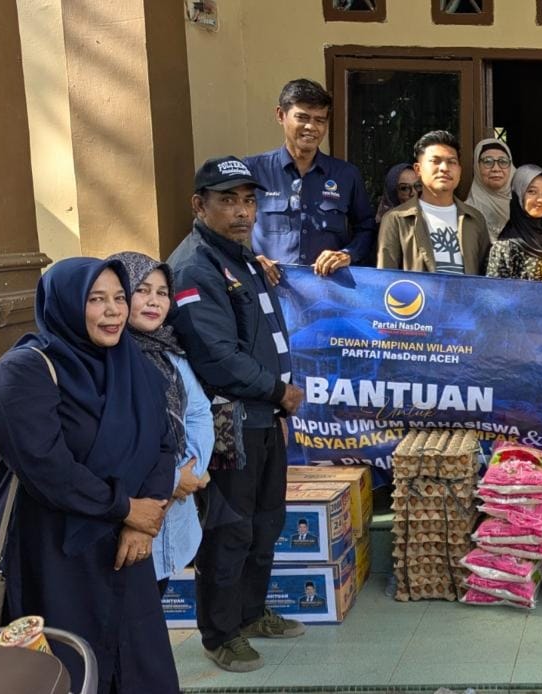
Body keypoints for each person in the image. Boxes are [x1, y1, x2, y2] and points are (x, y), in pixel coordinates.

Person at [0, 257, 179, 692]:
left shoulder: (135, 367)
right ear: (66, 304)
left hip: (126, 552)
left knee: (141, 669)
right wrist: (125, 508)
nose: (113, 311)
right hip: (55, 551)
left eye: (119, 298)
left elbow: (164, 444)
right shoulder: (23, 371)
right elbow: (46, 466)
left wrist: (144, 522)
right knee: (66, 670)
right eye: (96, 300)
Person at [167, 156, 308, 673]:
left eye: (249, 201)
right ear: (199, 205)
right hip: (230, 425)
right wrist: (279, 391)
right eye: (228, 201)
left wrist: (275, 403)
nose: (243, 212)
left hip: (262, 418)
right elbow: (217, 356)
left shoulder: (243, 258)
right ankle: (221, 634)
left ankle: (250, 614)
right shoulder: (194, 267)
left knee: (265, 524)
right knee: (229, 531)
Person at [109, 251, 216, 596]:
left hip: (173, 519)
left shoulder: (170, 352)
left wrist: (190, 471)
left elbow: (198, 413)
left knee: (152, 606)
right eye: (142, 290)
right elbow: (117, 443)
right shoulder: (107, 357)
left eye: (162, 292)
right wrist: (171, 482)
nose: (154, 301)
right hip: (125, 517)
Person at [245, 78, 375, 281]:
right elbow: (228, 226)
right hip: (269, 287)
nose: (311, 127)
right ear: (281, 115)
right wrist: (249, 260)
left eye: (320, 120)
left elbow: (366, 227)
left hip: (329, 288)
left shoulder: (346, 174)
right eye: (302, 117)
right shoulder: (253, 170)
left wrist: (347, 254)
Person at [377, 130, 490, 275]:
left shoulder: (475, 219)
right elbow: (386, 279)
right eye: (435, 161)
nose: (444, 168)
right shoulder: (396, 219)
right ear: (418, 169)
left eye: (452, 162)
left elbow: (486, 279)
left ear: (459, 170)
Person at [485, 164, 542, 282]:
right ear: (518, 195)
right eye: (532, 191)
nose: (540, 199)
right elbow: (495, 291)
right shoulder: (505, 247)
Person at [465, 138, 515, 242]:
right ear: (477, 167)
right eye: (487, 161)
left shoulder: (525, 206)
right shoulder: (467, 212)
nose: (496, 168)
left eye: (503, 161)